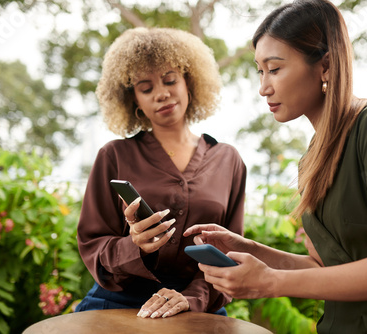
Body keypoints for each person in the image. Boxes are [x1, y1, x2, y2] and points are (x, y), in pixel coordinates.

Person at [184, 0, 367, 332]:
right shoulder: (313, 159)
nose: (264, 88)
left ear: (327, 66)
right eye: (259, 71)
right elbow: (323, 266)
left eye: (274, 69)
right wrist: (249, 248)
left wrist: (271, 283)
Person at [75, 27, 247, 319]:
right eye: (146, 88)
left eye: (170, 80)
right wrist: (134, 246)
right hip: (118, 302)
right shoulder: (114, 155)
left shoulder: (228, 160)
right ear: (135, 101)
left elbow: (231, 252)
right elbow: (93, 244)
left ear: (189, 82)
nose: (162, 94)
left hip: (195, 304)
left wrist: (193, 296)